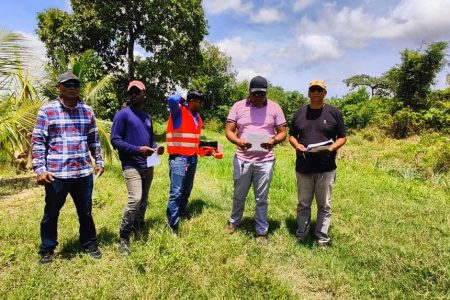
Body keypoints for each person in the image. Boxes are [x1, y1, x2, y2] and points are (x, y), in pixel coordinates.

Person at [31, 71, 104, 264]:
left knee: (85, 211)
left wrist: (99, 161)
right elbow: (38, 141)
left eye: (75, 85)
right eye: (68, 84)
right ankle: (47, 248)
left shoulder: (87, 111)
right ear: (59, 88)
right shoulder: (47, 111)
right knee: (51, 213)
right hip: (57, 174)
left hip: (82, 172)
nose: (72, 88)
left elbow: (94, 139)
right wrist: (40, 169)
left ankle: (89, 243)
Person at [225, 76, 287, 244]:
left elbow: (283, 132)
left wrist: (274, 140)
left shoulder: (275, 107)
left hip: (265, 161)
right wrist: (238, 141)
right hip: (242, 158)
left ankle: (261, 231)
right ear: (249, 92)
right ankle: (233, 222)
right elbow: (229, 130)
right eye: (255, 93)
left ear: (266, 92)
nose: (259, 97)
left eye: (262, 93)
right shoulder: (238, 106)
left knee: (262, 198)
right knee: (239, 194)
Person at [289, 79, 347, 247]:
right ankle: (302, 235)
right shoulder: (299, 113)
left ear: (325, 93)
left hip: (326, 166)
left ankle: (322, 237)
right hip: (304, 166)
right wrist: (296, 145)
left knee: (324, 204)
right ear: (308, 93)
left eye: (319, 90)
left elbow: (342, 137)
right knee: (303, 203)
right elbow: (292, 135)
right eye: (313, 89)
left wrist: (332, 148)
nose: (315, 92)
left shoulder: (334, 113)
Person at [111, 80, 164, 255]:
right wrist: (137, 150)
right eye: (131, 92)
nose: (133, 95)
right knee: (135, 199)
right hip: (131, 164)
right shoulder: (123, 115)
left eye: (137, 92)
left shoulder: (148, 117)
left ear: (144, 94)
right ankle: (124, 237)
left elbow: (150, 140)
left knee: (144, 199)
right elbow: (115, 140)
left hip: (148, 163)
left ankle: (138, 225)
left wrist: (156, 148)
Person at [165, 90, 205, 233]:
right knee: (176, 192)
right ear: (189, 101)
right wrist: (182, 98)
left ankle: (182, 212)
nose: (199, 104)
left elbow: (194, 140)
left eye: (201, 102)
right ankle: (172, 224)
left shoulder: (198, 118)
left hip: (193, 158)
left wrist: (204, 150)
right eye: (197, 101)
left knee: (186, 190)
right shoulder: (178, 111)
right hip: (179, 158)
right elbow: (171, 100)